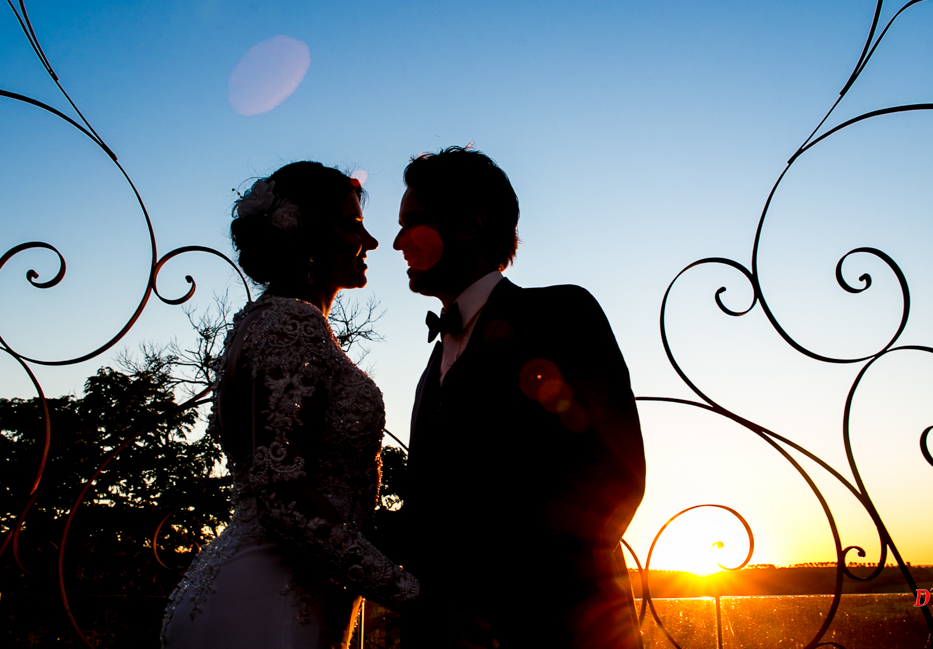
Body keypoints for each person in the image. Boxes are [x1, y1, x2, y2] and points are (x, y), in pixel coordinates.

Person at [391, 147, 646, 649]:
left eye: (413, 221)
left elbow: (613, 477)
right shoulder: (430, 367)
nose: (398, 241)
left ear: (469, 225)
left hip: (558, 628)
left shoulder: (561, 314)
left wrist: (498, 604)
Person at [162, 161, 419, 649]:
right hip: (267, 609)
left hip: (265, 597)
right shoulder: (289, 324)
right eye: (353, 226)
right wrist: (408, 593)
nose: (371, 243)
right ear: (308, 236)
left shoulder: (270, 322)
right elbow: (282, 494)